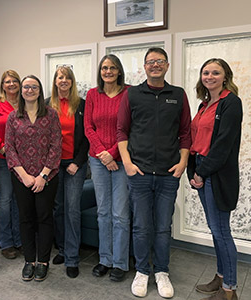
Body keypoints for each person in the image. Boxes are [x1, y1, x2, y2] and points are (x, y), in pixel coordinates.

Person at [117, 47, 191, 299]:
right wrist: (127, 162)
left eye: (160, 61)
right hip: (139, 172)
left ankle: (161, 272)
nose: (155, 65)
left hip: (168, 174)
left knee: (162, 226)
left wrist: (182, 164)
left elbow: (185, 133)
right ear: (144, 67)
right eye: (151, 62)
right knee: (140, 226)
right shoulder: (132, 94)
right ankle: (141, 271)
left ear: (167, 66)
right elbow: (121, 131)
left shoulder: (178, 95)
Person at [187, 58, 242, 300]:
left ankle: (229, 290)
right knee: (215, 229)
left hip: (216, 173)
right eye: (206, 72)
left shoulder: (231, 103)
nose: (209, 76)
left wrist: (201, 172)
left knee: (221, 231)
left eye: (215, 73)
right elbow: (195, 140)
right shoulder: (205, 105)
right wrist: (193, 171)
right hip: (201, 168)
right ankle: (220, 277)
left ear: (225, 76)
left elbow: (223, 146)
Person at [5, 75, 61, 282]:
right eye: (26, 87)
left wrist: (42, 176)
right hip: (22, 178)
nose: (29, 90)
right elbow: (9, 148)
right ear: (21, 90)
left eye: (34, 87)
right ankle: (29, 260)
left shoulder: (51, 115)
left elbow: (56, 146)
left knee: (44, 218)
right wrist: (25, 176)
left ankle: (43, 261)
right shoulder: (13, 117)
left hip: (47, 177)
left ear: (40, 90)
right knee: (26, 218)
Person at [84, 54, 130, 282]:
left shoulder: (129, 93)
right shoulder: (93, 94)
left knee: (119, 214)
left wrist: (112, 153)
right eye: (104, 68)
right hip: (98, 161)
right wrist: (103, 155)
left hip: (122, 160)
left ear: (119, 71)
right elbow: (88, 127)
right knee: (103, 212)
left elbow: (131, 127)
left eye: (112, 68)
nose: (108, 71)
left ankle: (120, 263)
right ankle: (105, 259)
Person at [46, 66, 89, 278]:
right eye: (59, 77)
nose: (63, 81)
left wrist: (78, 162)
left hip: (74, 165)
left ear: (72, 82)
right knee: (58, 209)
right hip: (53, 165)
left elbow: (88, 135)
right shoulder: (47, 104)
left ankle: (72, 258)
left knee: (72, 210)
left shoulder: (81, 105)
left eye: (67, 78)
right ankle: (62, 249)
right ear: (55, 81)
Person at [0, 70, 22, 259]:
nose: (11, 84)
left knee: (19, 200)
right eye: (7, 81)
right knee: (5, 200)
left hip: (24, 163)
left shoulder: (25, 104)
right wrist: (3, 149)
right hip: (4, 160)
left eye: (14, 81)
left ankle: (19, 239)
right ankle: (6, 242)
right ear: (3, 85)